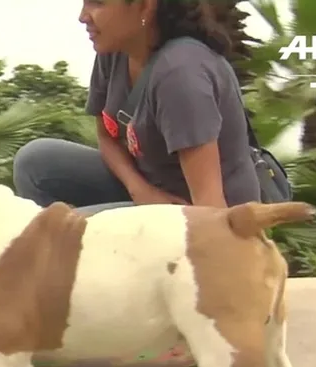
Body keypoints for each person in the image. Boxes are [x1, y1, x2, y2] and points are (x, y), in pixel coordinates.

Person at [13, 0, 262, 215]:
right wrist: (141, 191)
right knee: (33, 163)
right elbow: (106, 137)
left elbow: (210, 206)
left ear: (144, 6)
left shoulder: (180, 74)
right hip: (150, 189)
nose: (82, 16)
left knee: (69, 232)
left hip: (198, 213)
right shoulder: (114, 51)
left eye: (98, 3)